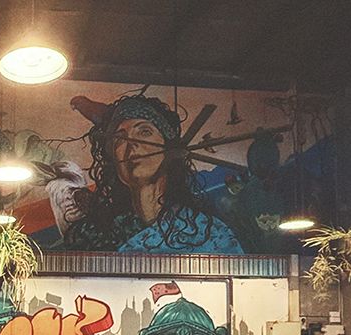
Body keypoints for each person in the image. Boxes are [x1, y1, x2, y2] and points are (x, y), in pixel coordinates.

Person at [67, 91, 242, 254]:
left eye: (144, 132)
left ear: (168, 150)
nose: (132, 144)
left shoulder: (209, 233)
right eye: (120, 139)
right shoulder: (95, 236)